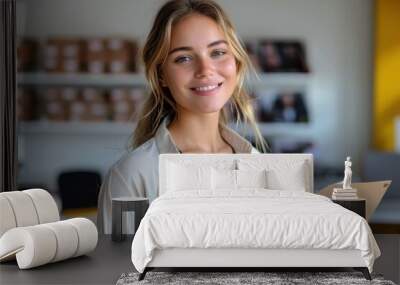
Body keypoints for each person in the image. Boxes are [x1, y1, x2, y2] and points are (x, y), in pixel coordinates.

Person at [97, 0, 270, 234]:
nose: (205, 69)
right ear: (161, 76)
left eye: (218, 52)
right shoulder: (133, 176)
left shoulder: (259, 164)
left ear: (237, 64)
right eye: (183, 58)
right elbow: (117, 269)